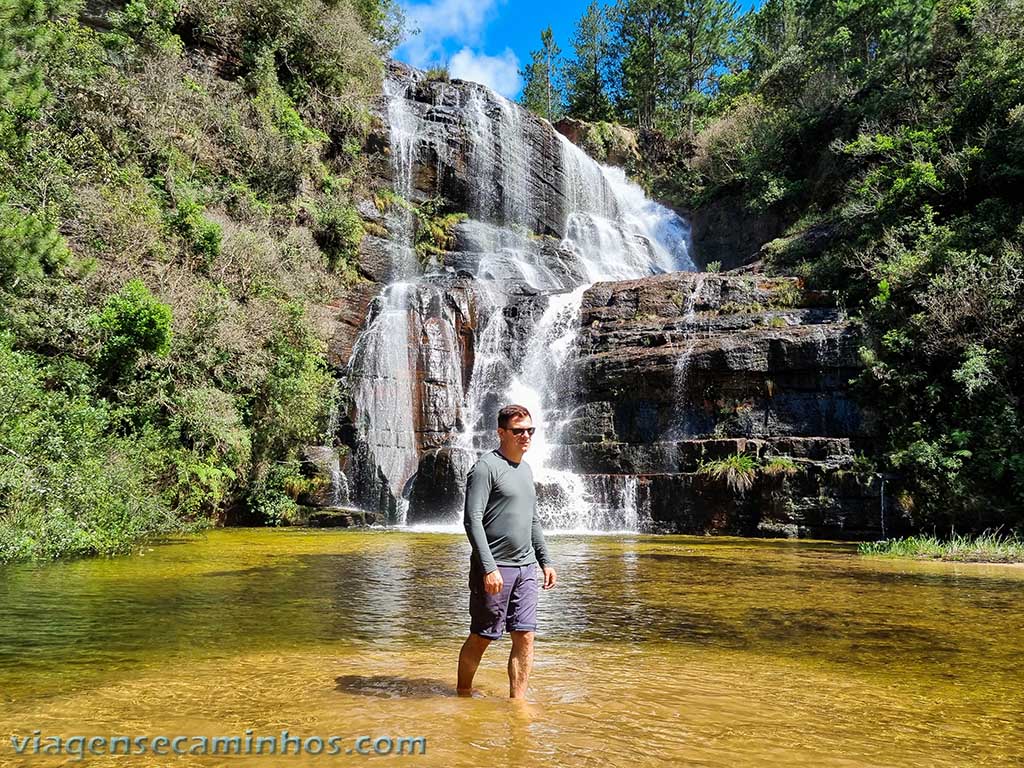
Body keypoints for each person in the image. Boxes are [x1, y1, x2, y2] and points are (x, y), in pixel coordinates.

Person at [457, 404, 557, 699]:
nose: (525, 436)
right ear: (501, 433)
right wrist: (488, 568)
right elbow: (471, 520)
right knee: (482, 637)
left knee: (525, 636)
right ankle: (463, 693)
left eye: (530, 430)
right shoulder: (485, 468)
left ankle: (518, 704)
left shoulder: (526, 469)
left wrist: (545, 560)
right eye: (518, 431)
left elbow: (533, 520)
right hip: (495, 568)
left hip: (526, 568)